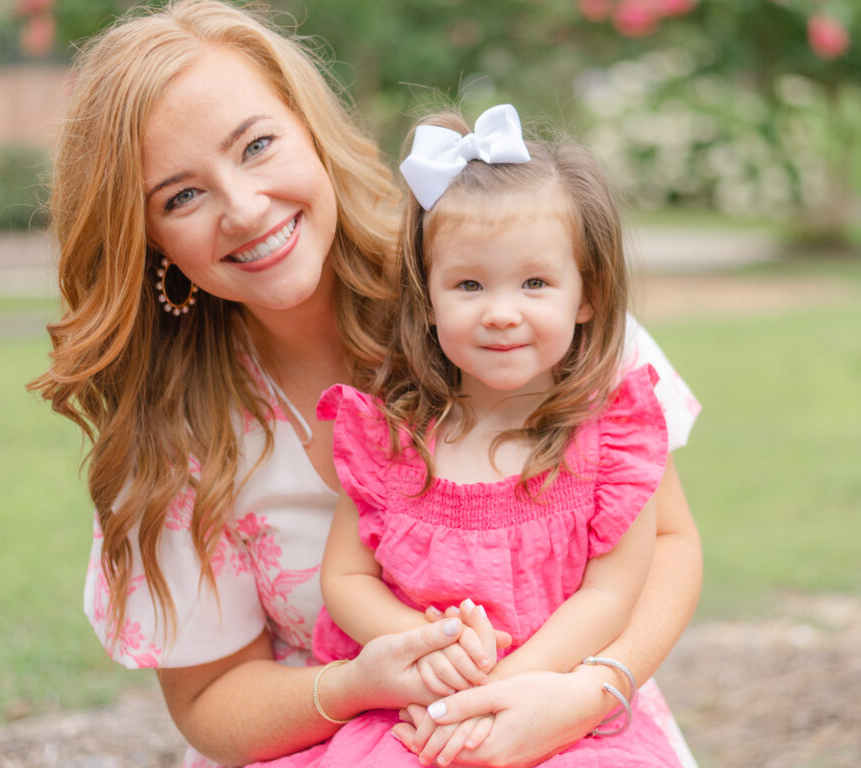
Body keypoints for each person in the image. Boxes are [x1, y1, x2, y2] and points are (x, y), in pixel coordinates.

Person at [28, 2, 703, 767]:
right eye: (181, 196)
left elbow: (669, 539)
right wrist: (355, 685)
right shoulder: (171, 432)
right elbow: (209, 703)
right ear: (146, 239)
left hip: (571, 714)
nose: (245, 210)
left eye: (256, 145)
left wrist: (582, 695)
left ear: (310, 129)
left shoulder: (497, 277)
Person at [248, 104, 686, 768]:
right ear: (429, 298)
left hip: (557, 703)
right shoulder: (392, 437)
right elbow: (344, 576)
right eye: (469, 284)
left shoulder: (609, 436)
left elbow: (609, 594)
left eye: (535, 283)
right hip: (416, 711)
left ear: (586, 294)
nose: (502, 312)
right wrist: (426, 644)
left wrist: (514, 686)